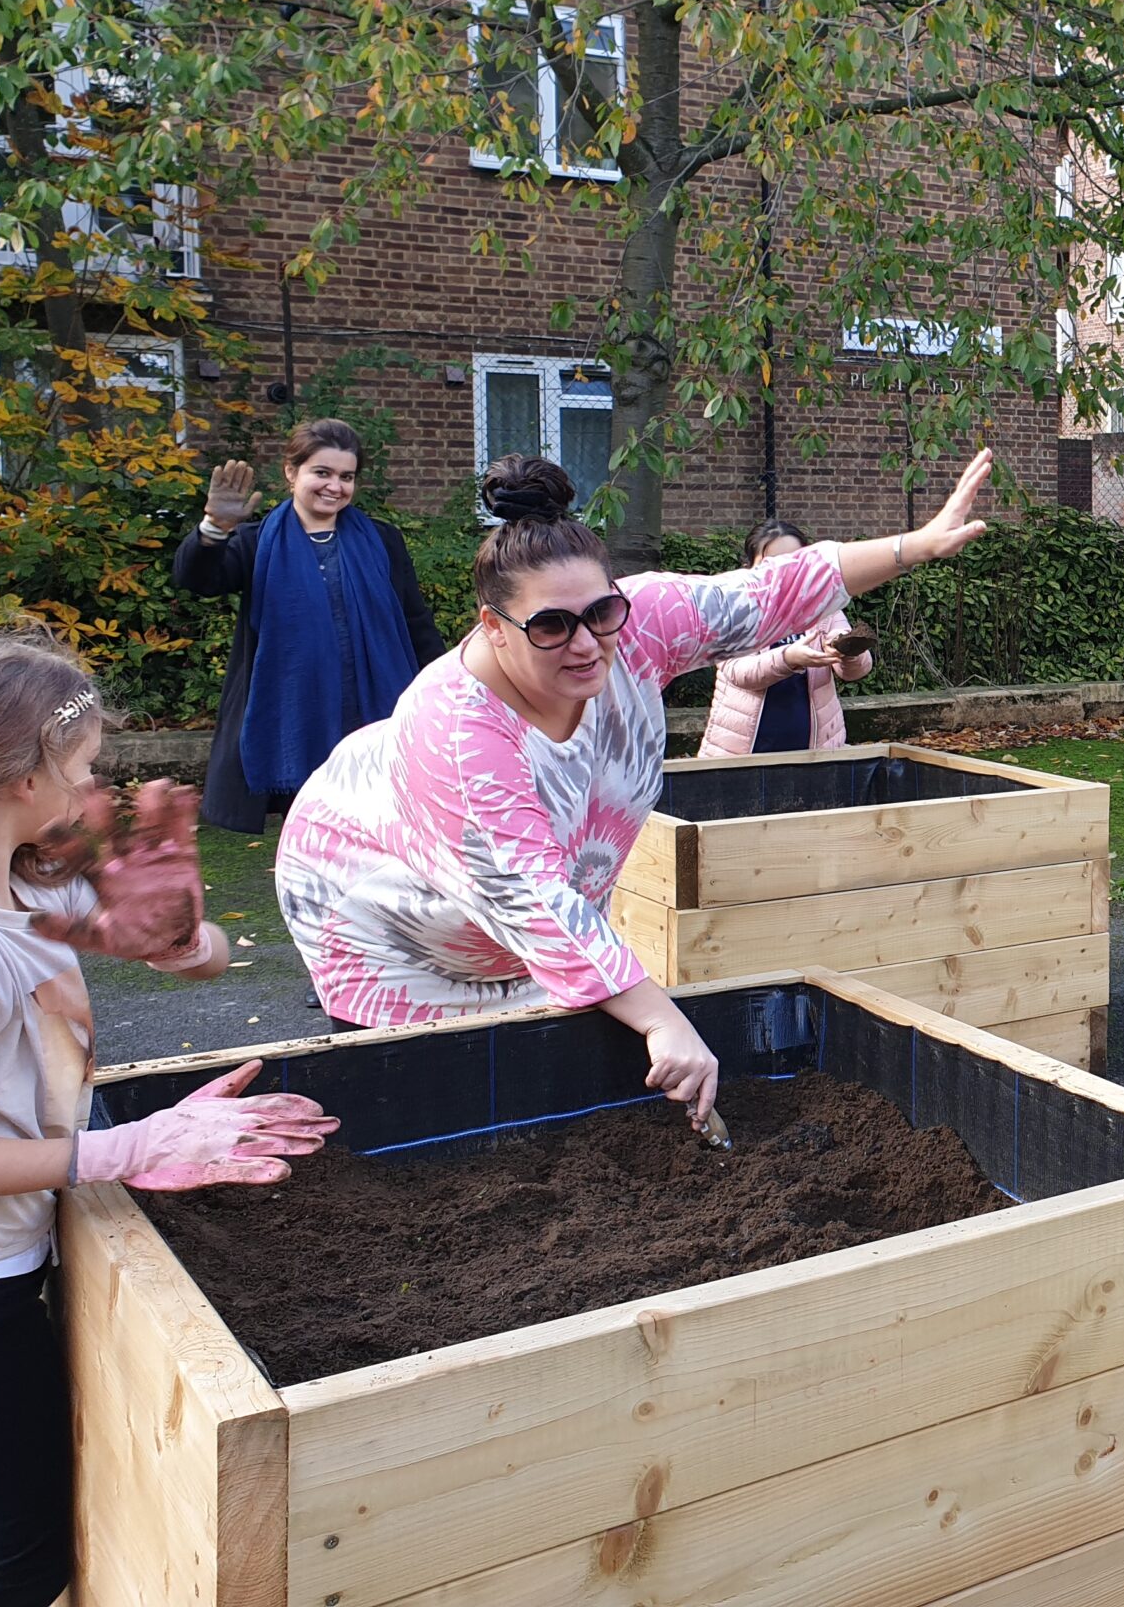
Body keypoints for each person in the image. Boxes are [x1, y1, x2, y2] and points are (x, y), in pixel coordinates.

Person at [275, 447, 996, 1126]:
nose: (587, 643)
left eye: (599, 613)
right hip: (378, 911)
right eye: (551, 627)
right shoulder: (456, 731)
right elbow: (534, 898)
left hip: (536, 920)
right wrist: (662, 1018)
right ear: (493, 627)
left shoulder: (638, 626)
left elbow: (773, 587)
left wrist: (917, 544)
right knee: (427, 1109)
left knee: (561, 1068)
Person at [0, 631, 336, 1607]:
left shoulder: (22, 884)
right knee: (24, 1557)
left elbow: (199, 954)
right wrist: (129, 1146)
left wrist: (182, 939)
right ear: (18, 775)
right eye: (80, 766)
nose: (93, 786)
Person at [173, 420, 447, 834]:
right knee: (312, 840)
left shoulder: (382, 539)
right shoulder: (255, 542)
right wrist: (214, 529)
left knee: (384, 839)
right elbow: (198, 580)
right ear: (291, 472)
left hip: (375, 718)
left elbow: (415, 623)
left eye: (346, 476)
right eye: (322, 472)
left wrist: (444, 689)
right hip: (297, 721)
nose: (334, 486)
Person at [695, 520, 874, 758]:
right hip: (742, 753)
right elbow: (737, 672)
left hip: (814, 752)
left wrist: (847, 650)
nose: (784, 571)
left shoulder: (825, 607)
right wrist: (789, 658)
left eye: (795, 561)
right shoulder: (736, 606)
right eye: (772, 563)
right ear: (750, 566)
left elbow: (854, 673)